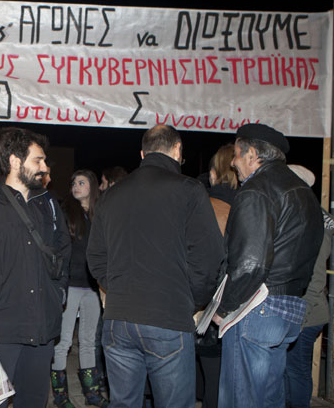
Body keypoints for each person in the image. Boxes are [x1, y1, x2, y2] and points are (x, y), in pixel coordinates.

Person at [87, 125, 223, 408]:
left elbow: (96, 257)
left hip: (119, 319)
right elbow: (209, 257)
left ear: (142, 153)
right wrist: (193, 300)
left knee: (123, 404)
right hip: (168, 316)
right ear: (177, 150)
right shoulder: (189, 190)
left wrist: (118, 288)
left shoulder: (111, 195)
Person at [213, 123, 323, 407]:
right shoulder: (304, 193)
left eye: (237, 154)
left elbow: (250, 263)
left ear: (252, 154)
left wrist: (224, 308)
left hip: (257, 308)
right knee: (270, 399)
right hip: (290, 309)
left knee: (240, 399)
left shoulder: (257, 189)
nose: (233, 162)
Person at [0, 127, 71, 408]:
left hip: (42, 327)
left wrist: (58, 294)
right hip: (0, 331)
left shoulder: (49, 205)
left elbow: (64, 252)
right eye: (38, 160)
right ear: (14, 161)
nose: (44, 167)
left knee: (34, 402)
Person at [51, 169, 107, 408]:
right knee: (63, 341)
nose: (76, 186)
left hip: (93, 286)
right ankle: (60, 396)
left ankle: (91, 393)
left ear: (92, 186)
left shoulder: (101, 214)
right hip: (71, 284)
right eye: (74, 182)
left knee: (88, 341)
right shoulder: (66, 213)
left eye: (81, 182)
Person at [284, 165, 332, 408]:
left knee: (296, 372)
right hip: (306, 310)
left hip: (306, 312)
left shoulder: (312, 220)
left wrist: (298, 318)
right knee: (292, 371)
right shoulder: (313, 217)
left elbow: (313, 277)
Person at [195, 143, 238, 408]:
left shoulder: (204, 207)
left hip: (204, 304)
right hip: (240, 302)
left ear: (213, 173)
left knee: (205, 378)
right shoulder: (247, 204)